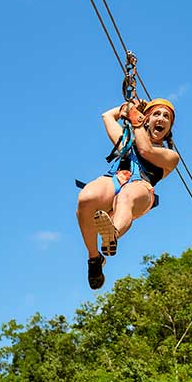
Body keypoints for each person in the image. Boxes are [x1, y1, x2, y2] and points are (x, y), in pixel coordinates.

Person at [76, 98, 180, 289]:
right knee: (86, 197)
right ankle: (94, 259)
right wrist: (128, 106)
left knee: (127, 195)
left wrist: (136, 122)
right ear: (147, 119)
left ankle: (112, 233)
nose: (161, 119)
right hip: (116, 179)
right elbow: (107, 116)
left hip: (141, 188)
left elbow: (145, 150)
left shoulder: (171, 156)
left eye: (166, 117)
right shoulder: (126, 141)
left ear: (169, 128)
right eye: (156, 114)